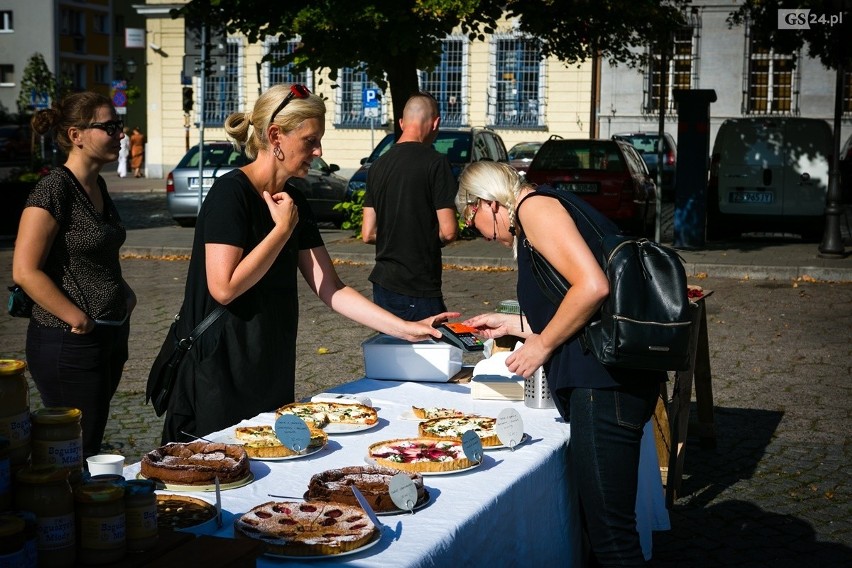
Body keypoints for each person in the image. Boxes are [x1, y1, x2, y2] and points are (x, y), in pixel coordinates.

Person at [159, 84, 455, 443]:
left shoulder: (294, 199)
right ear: (275, 136)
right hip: (219, 370)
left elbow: (331, 287)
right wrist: (282, 229)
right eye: (310, 141)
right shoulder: (230, 194)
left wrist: (404, 328)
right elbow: (223, 288)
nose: (318, 151)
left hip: (269, 362)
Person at [456, 161, 664, 567]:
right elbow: (577, 304)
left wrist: (541, 346)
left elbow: (593, 287)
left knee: (611, 534)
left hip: (605, 385)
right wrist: (514, 324)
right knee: (601, 526)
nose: (477, 232)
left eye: (471, 220)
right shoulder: (544, 206)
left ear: (486, 203)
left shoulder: (534, 208)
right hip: (608, 377)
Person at [12, 92, 137, 459]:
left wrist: (125, 293)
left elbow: (95, 255)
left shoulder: (97, 186)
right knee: (74, 448)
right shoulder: (54, 189)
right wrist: (77, 318)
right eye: (109, 127)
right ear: (76, 134)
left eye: (119, 126)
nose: (120, 134)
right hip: (68, 342)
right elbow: (24, 269)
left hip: (109, 334)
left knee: (91, 440)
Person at [361, 91, 458, 321]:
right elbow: (449, 231)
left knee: (391, 352)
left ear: (402, 123)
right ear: (436, 123)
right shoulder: (436, 163)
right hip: (419, 283)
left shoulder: (377, 166)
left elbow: (368, 233)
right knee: (427, 353)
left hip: (383, 283)